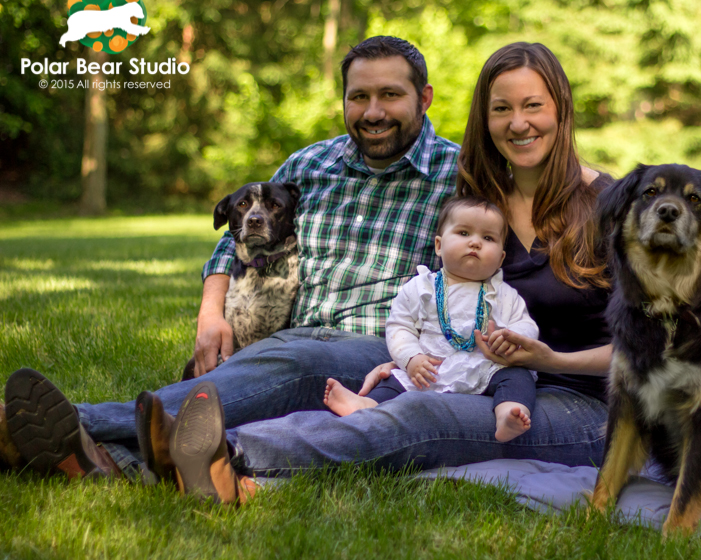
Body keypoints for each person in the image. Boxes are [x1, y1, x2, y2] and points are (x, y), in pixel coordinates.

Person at [132, 42, 618, 503]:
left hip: (583, 404)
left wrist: (551, 359)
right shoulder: (479, 202)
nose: (518, 123)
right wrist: (413, 352)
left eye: (533, 105)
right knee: (405, 403)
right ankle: (132, 443)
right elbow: (449, 297)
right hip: (480, 378)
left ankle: (226, 453)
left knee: (420, 416)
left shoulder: (613, 205)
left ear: (562, 109)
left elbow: (654, 347)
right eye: (501, 109)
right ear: (484, 118)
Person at [0, 35, 459, 480]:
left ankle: (77, 422)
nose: (373, 112)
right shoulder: (310, 166)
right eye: (359, 96)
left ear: (424, 98)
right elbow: (234, 240)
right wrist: (210, 313)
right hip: (286, 334)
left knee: (291, 368)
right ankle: (110, 460)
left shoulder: (458, 174)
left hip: (382, 348)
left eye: (390, 95)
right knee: (266, 373)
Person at [324, 196, 539, 442]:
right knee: (395, 382)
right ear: (439, 245)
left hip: (484, 366)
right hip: (430, 367)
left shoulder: (503, 294)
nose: (475, 243)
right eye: (464, 232)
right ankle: (365, 403)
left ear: (500, 258)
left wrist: (513, 337)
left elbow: (525, 324)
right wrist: (411, 357)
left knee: (518, 378)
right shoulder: (422, 287)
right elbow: (400, 326)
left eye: (488, 238)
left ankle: (508, 414)